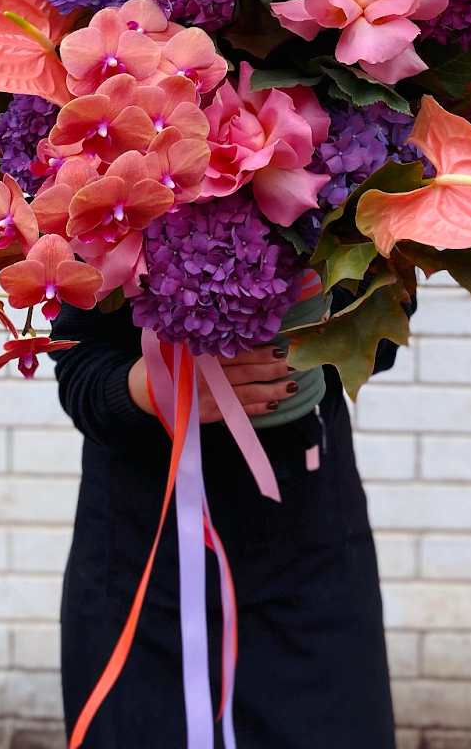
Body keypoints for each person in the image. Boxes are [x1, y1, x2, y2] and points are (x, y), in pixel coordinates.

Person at [48, 298, 401, 749]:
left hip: (308, 541)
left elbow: (386, 324)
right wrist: (154, 387)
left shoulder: (370, 227)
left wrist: (305, 336)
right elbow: (79, 362)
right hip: (143, 549)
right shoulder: (60, 229)